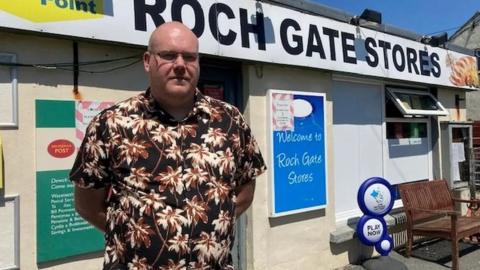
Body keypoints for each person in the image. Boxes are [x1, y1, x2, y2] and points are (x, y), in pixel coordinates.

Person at [70, 21, 266, 269]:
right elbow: (87, 204)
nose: (181, 65)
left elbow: (245, 187)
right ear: (147, 61)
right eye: (169, 55)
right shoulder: (111, 123)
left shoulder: (230, 120)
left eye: (190, 57)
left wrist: (210, 221)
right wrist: (136, 233)